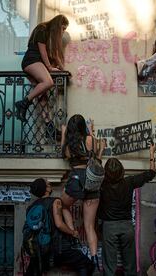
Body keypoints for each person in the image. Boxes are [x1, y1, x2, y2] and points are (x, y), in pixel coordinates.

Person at [98, 144, 156, 276]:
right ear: (122, 171)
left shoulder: (102, 184)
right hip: (126, 226)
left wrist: (101, 151)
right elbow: (152, 173)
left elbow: (95, 169)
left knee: (109, 266)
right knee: (130, 265)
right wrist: (152, 153)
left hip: (109, 226)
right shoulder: (129, 182)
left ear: (106, 172)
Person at [60, 114, 106, 270]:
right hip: (91, 182)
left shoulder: (68, 145)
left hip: (76, 180)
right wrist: (92, 131)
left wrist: (64, 133)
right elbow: (95, 154)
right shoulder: (90, 139)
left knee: (62, 205)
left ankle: (72, 233)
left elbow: (64, 155)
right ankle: (94, 258)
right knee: (89, 226)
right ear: (83, 126)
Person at [24, 178, 94, 276]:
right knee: (86, 264)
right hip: (57, 247)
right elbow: (59, 224)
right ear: (47, 189)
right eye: (48, 184)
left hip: (39, 248)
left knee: (33, 270)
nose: (50, 184)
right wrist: (72, 232)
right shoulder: (56, 201)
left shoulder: (31, 207)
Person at [15, 14, 69, 127]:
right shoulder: (42, 29)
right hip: (31, 61)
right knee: (48, 82)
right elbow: (42, 51)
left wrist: (64, 71)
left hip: (38, 63)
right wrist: (49, 67)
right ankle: (23, 103)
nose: (63, 32)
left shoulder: (50, 35)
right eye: (63, 28)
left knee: (42, 94)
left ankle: (48, 123)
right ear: (58, 25)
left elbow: (54, 55)